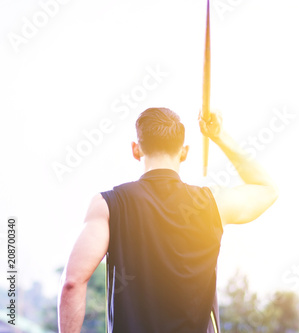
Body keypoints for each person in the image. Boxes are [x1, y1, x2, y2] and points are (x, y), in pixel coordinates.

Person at [57, 107, 279, 332]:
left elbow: (72, 283)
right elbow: (267, 189)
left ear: (136, 149)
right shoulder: (213, 203)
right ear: (184, 152)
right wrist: (219, 136)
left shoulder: (108, 205)